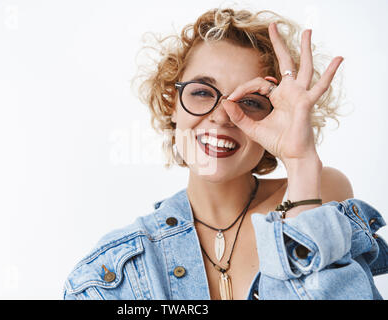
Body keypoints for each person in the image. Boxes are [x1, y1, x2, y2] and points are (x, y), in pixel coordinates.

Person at [63, 7, 388, 300]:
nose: (221, 115)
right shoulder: (109, 276)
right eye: (203, 92)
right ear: (170, 103)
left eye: (250, 101)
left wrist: (301, 163)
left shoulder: (315, 193)